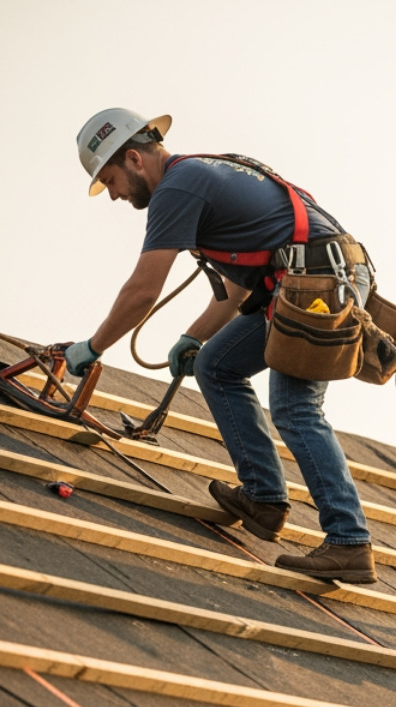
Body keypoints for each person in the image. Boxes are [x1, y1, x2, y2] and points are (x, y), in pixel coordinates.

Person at [67, 107, 376, 584]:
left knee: (295, 408)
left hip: (319, 284)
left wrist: (93, 346)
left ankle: (349, 542)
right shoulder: (201, 176)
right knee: (216, 365)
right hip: (301, 282)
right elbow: (240, 287)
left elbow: (143, 289)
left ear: (134, 158)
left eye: (110, 180)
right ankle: (264, 499)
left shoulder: (177, 187)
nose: (113, 195)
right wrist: (195, 336)